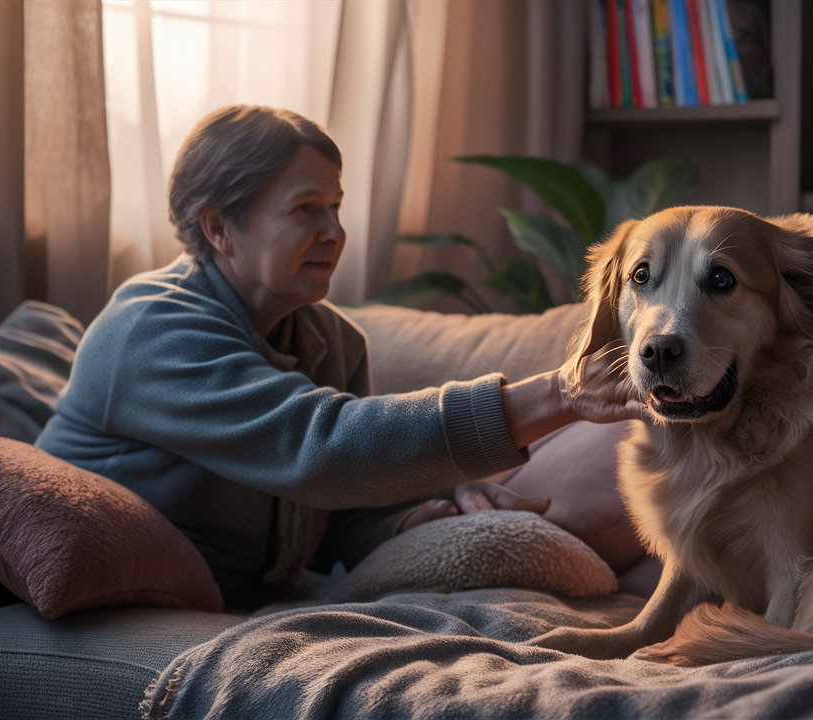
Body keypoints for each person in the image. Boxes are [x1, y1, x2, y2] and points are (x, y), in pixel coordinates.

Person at [36, 105, 643, 609]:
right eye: (306, 209)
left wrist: (422, 513)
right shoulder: (150, 326)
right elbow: (320, 447)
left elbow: (338, 521)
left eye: (336, 206)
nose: (334, 231)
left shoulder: (334, 342)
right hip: (108, 609)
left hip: (241, 600)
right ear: (218, 227)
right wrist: (561, 393)